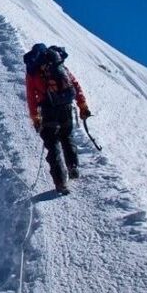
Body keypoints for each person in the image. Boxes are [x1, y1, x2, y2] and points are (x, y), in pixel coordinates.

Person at [24, 44, 92, 194]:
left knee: (53, 144)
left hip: (49, 111)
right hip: (66, 108)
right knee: (67, 136)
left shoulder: (33, 71)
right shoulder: (59, 64)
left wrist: (36, 118)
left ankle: (61, 182)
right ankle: (73, 166)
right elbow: (75, 84)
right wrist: (82, 105)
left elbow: (31, 97)